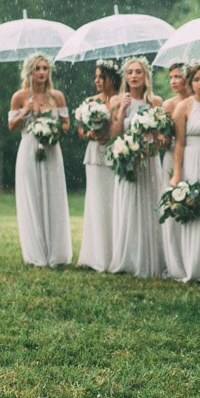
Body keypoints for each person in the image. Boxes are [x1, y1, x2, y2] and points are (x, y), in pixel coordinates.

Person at [7, 52, 72, 268]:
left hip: (52, 148)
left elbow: (66, 124)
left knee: (53, 196)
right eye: (38, 69)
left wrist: (51, 128)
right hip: (29, 148)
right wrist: (26, 112)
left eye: (45, 68)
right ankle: (36, 252)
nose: (42, 73)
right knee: (32, 196)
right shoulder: (19, 96)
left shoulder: (57, 97)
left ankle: (56, 251)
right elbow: (11, 126)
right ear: (29, 72)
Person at [107, 56, 166, 277]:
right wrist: (122, 110)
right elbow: (113, 136)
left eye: (138, 72)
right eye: (130, 72)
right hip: (127, 160)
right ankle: (127, 258)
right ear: (125, 77)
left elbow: (162, 137)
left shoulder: (155, 102)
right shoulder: (117, 100)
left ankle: (149, 258)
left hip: (148, 160)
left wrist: (153, 138)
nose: (134, 76)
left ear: (146, 76)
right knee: (128, 204)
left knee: (148, 204)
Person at [169, 62, 200, 282]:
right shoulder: (184, 107)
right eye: (196, 79)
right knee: (196, 210)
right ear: (190, 83)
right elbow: (179, 144)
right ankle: (196, 265)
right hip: (193, 159)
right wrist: (177, 174)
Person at [76, 59, 121, 271]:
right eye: (96, 77)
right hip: (95, 154)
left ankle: (116, 252)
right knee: (97, 201)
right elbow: (80, 130)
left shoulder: (121, 99)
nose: (97, 81)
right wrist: (89, 133)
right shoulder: (90, 102)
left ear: (111, 78)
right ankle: (96, 254)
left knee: (115, 201)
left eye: (101, 77)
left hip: (116, 152)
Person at [160, 62, 191, 277]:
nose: (173, 81)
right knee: (174, 205)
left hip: (197, 155)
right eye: (171, 77)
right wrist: (160, 138)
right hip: (173, 158)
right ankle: (175, 260)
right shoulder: (168, 105)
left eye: (178, 76)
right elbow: (163, 140)